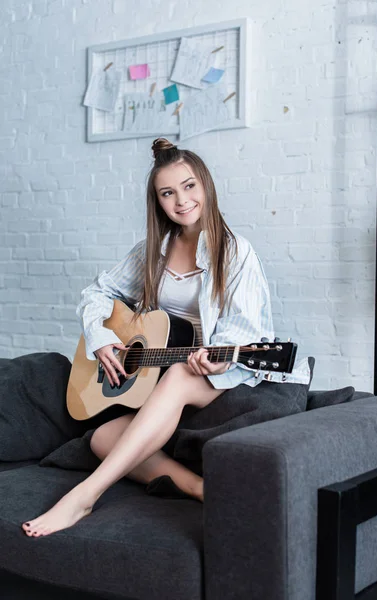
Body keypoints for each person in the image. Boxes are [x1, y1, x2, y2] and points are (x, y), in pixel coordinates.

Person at [21, 137, 309, 538]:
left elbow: (244, 333)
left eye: (189, 186)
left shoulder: (236, 251)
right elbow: (98, 293)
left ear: (205, 185)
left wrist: (217, 357)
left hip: (227, 369)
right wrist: (101, 337)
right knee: (103, 437)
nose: (181, 200)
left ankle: (85, 496)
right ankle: (200, 488)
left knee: (178, 376)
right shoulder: (152, 252)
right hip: (171, 367)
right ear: (157, 201)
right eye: (168, 192)